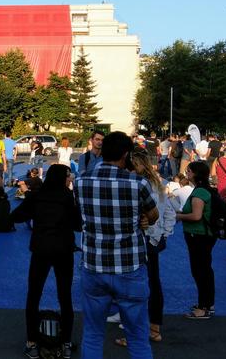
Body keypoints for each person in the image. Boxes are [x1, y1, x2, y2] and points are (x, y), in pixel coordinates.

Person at [74, 131, 159, 359]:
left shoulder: (80, 181)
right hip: (129, 266)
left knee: (92, 334)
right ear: (126, 154)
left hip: (94, 264)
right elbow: (153, 215)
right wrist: (143, 219)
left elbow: (81, 215)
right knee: (137, 336)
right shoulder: (137, 183)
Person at [12, 164, 81, 358]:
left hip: (41, 249)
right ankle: (66, 341)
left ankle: (32, 342)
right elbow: (78, 225)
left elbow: (16, 217)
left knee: (34, 295)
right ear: (62, 178)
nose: (70, 179)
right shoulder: (68, 198)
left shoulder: (36, 196)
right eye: (68, 176)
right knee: (65, 296)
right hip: (63, 250)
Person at [115, 152, 177, 348]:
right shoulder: (159, 184)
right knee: (154, 283)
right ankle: (154, 328)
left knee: (135, 286)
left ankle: (135, 332)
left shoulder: (137, 185)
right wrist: (163, 235)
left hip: (139, 240)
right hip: (153, 240)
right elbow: (169, 212)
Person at [176, 161, 218, 319]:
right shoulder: (206, 190)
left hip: (198, 235)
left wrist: (178, 216)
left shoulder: (199, 192)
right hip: (204, 235)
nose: (187, 173)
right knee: (205, 269)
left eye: (189, 171)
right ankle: (208, 304)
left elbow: (196, 216)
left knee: (200, 270)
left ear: (195, 173)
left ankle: (203, 307)